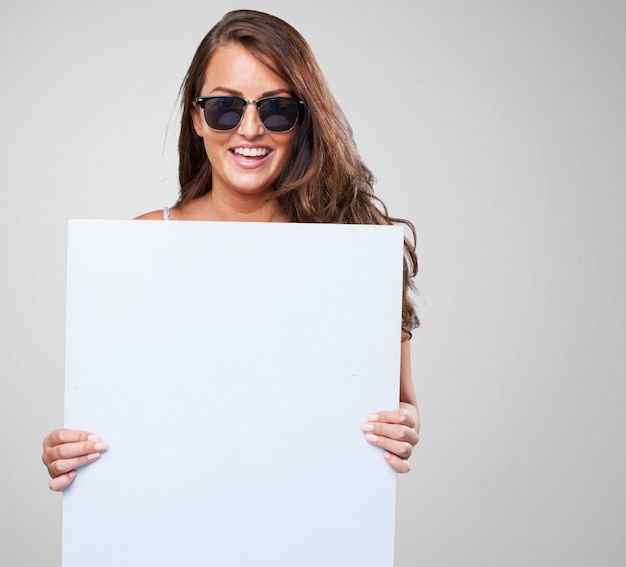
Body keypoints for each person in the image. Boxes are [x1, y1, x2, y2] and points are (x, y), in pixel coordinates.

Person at [42, 9, 420, 491]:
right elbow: (110, 414)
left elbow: (403, 405)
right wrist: (66, 451)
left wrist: (405, 425)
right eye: (225, 107)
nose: (249, 129)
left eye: (275, 108)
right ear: (197, 119)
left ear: (303, 120)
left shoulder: (353, 249)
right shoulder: (138, 246)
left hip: (307, 526)